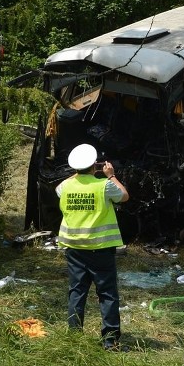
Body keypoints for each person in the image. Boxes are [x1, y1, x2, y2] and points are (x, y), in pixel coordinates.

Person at [56, 143, 129, 351]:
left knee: (77, 292)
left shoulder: (65, 187)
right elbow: (124, 196)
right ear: (93, 164)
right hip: (100, 248)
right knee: (107, 294)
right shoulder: (104, 186)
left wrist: (77, 172)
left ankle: (74, 337)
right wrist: (110, 175)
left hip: (74, 249)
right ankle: (111, 341)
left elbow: (60, 186)